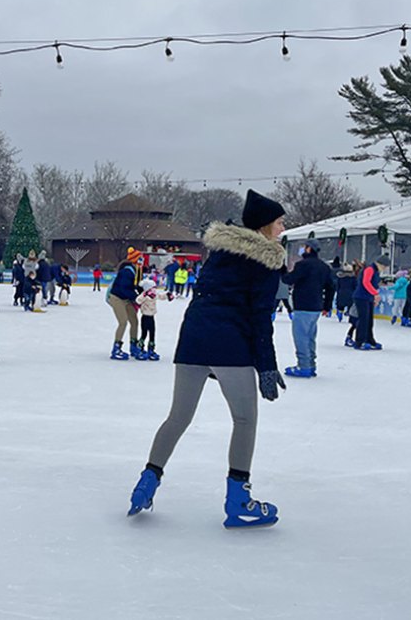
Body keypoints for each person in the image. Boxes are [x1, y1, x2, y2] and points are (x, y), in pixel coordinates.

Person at [128, 189, 287, 529]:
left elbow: (207, 298)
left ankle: (147, 481)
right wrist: (267, 366)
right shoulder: (267, 260)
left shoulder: (220, 252)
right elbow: (260, 317)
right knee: (245, 420)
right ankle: (238, 500)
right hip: (231, 346)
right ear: (264, 226)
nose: (283, 228)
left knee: (178, 417)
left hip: (193, 341)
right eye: (279, 222)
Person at [280, 239, 335, 378]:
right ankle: (311, 364)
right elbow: (331, 287)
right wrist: (327, 306)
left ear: (309, 249)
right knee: (310, 337)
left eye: (303, 247)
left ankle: (303, 366)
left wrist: (282, 270)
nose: (302, 249)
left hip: (303, 306)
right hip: (316, 307)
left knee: (301, 337)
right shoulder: (324, 267)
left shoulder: (303, 265)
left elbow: (288, 279)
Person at [107, 248, 143, 360]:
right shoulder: (127, 271)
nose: (142, 261)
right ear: (135, 260)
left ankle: (133, 345)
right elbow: (124, 288)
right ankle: (116, 348)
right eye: (140, 259)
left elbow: (136, 286)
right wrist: (136, 298)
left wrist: (144, 295)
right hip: (117, 298)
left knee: (134, 321)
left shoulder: (136, 270)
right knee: (123, 322)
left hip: (127, 298)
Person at [351, 255, 389, 350]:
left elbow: (373, 284)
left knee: (369, 321)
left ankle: (369, 339)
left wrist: (374, 297)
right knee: (363, 320)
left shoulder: (375, 271)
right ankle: (359, 342)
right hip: (361, 297)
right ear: (380, 264)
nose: (384, 269)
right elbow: (366, 282)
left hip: (368, 298)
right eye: (384, 266)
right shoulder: (370, 269)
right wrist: (375, 294)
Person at [136, 278, 171, 360]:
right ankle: (139, 349)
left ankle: (151, 350)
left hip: (151, 317)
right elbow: (138, 300)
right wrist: (145, 294)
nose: (154, 289)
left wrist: (167, 295)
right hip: (145, 317)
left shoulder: (154, 294)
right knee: (144, 333)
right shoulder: (144, 294)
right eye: (153, 287)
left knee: (152, 333)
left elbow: (161, 296)